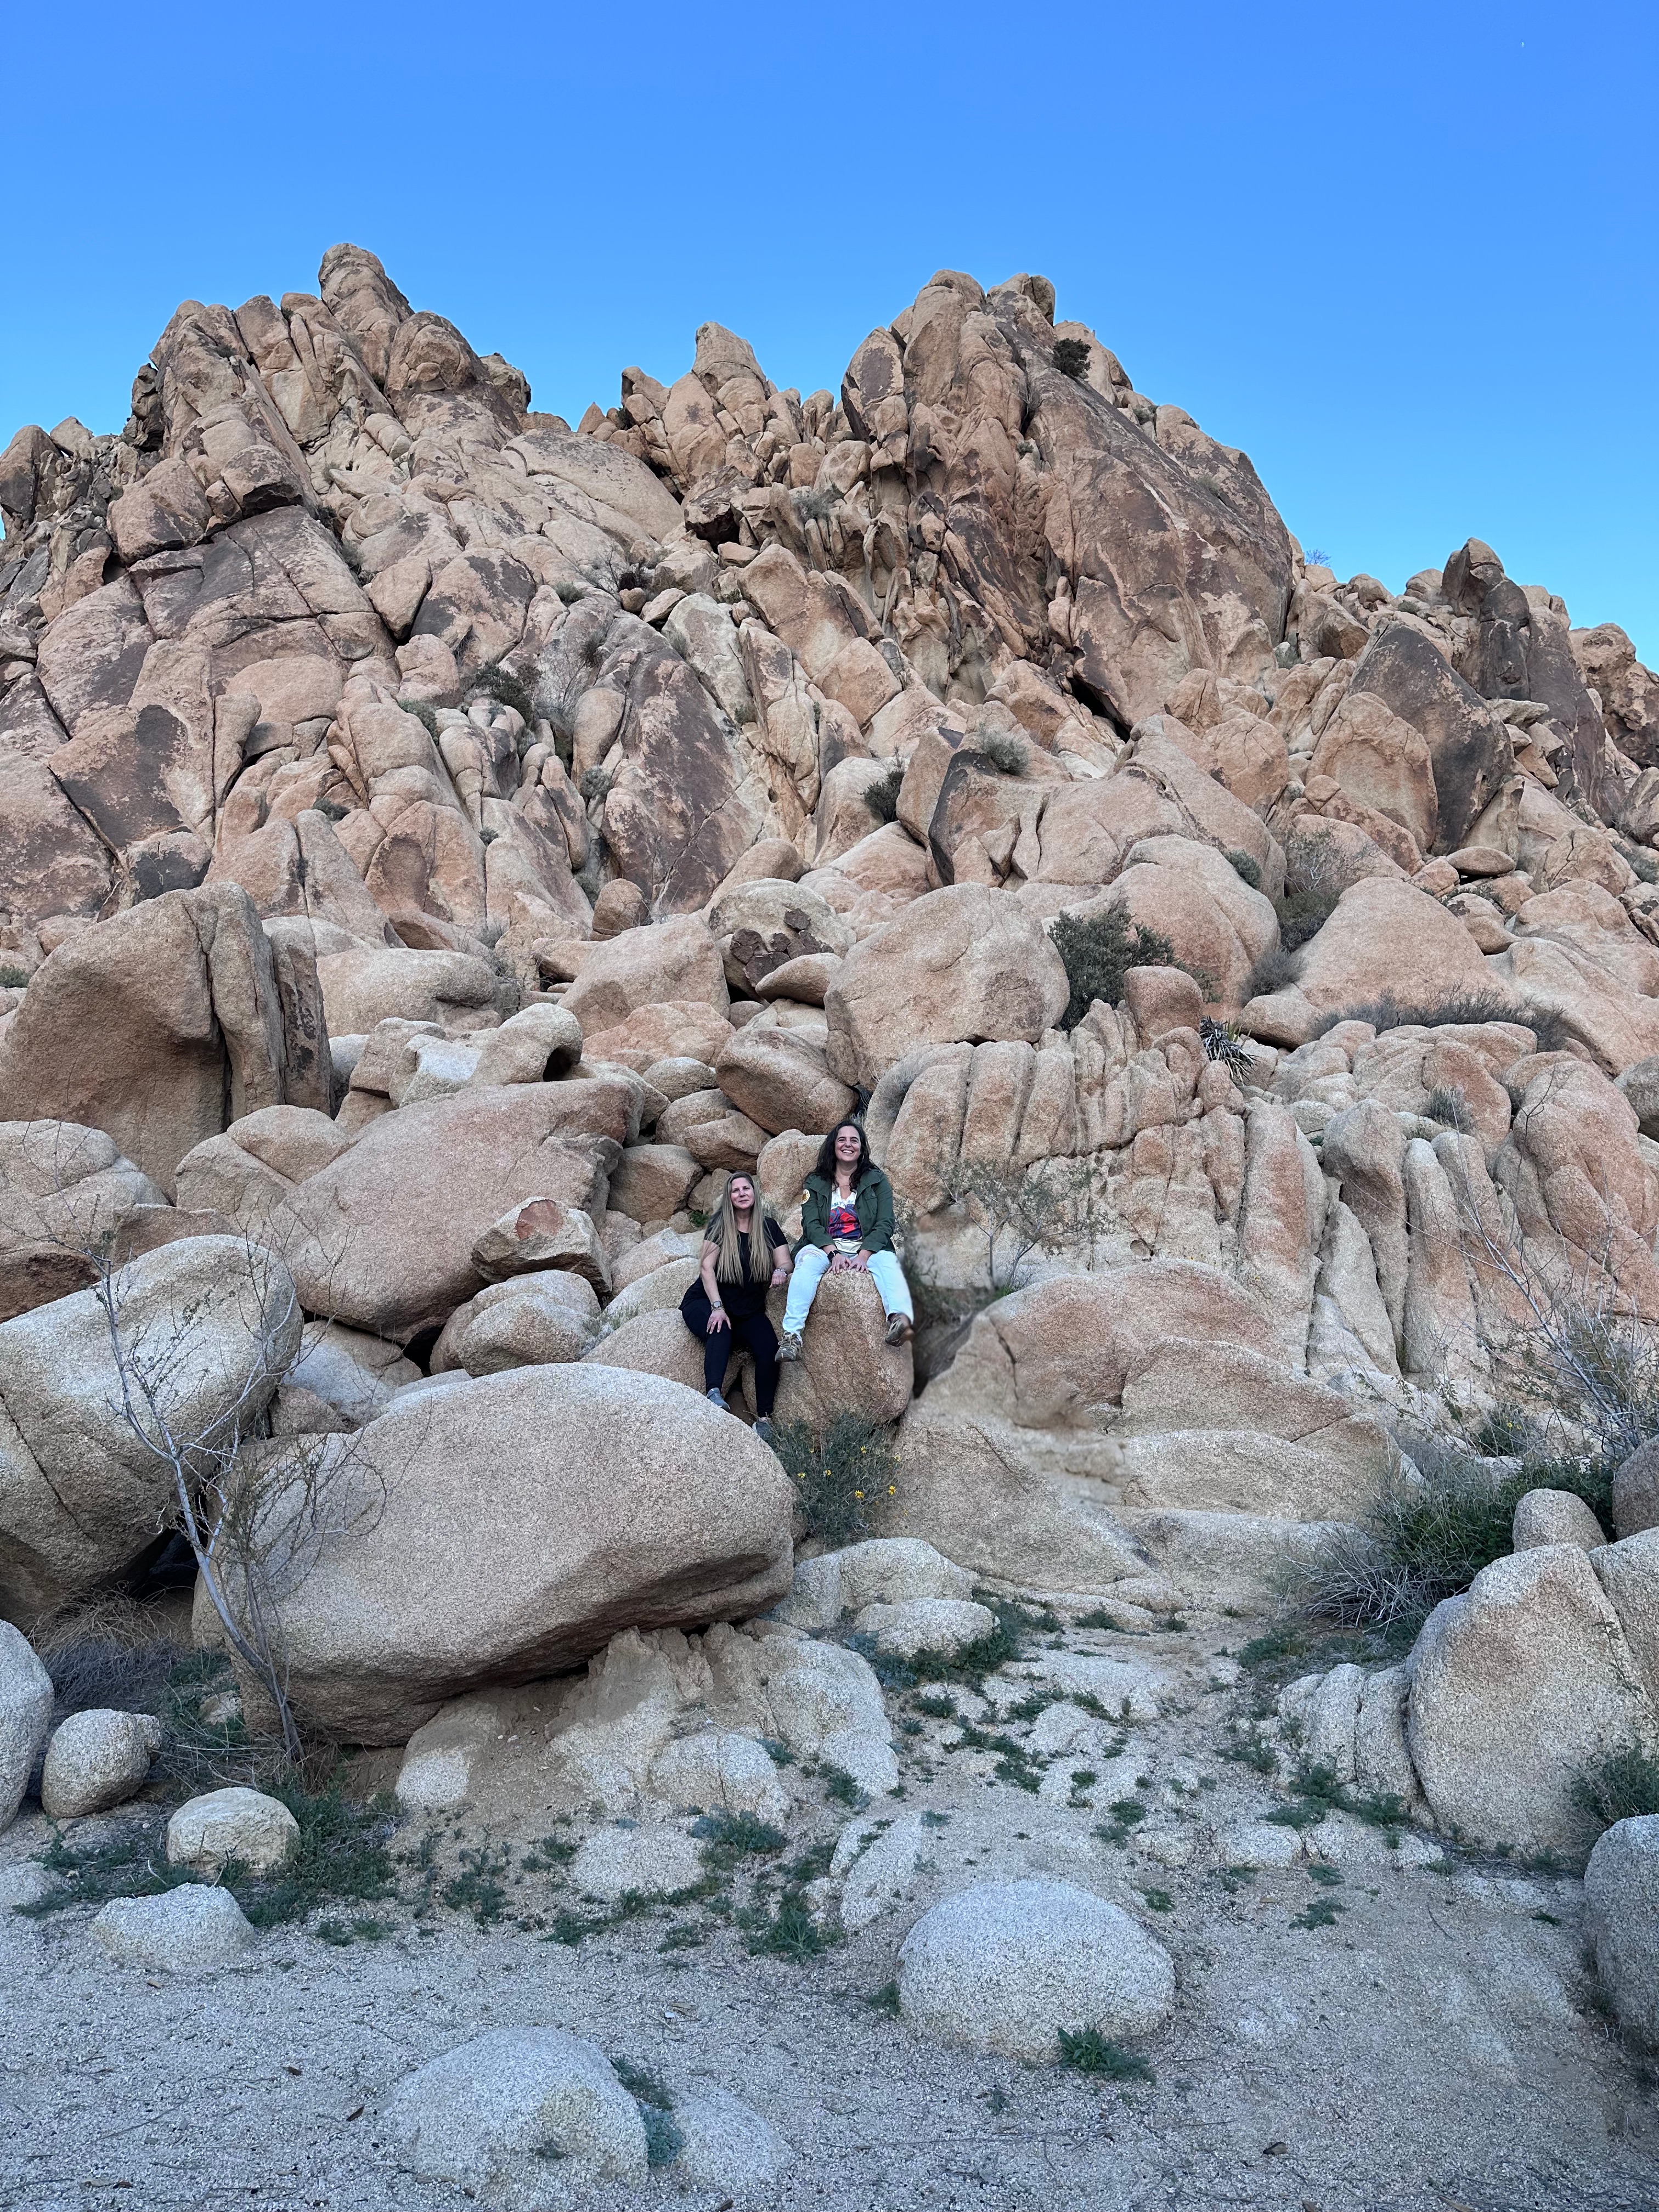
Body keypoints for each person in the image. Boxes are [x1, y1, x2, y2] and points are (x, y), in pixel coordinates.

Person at [780, 1120, 913, 1358]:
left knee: (888, 1262)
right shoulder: (816, 1181)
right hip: (823, 1247)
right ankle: (792, 1337)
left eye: (854, 1140)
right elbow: (811, 1224)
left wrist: (864, 1255)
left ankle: (899, 1320)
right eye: (842, 1140)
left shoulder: (877, 1180)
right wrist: (833, 1254)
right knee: (807, 1264)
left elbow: (885, 1223)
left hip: (867, 1246)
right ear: (833, 1146)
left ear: (862, 1148)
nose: (848, 1144)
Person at [679, 1171, 792, 1442]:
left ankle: (764, 1420)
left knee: (770, 1350)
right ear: (729, 1198)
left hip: (748, 1310)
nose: (742, 1194)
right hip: (707, 1301)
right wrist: (717, 1307)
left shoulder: (769, 1227)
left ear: (754, 1193)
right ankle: (714, 1395)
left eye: (746, 1189)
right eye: (735, 1190)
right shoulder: (720, 1225)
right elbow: (706, 1267)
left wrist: (781, 1271)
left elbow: (786, 1261)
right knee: (721, 1328)